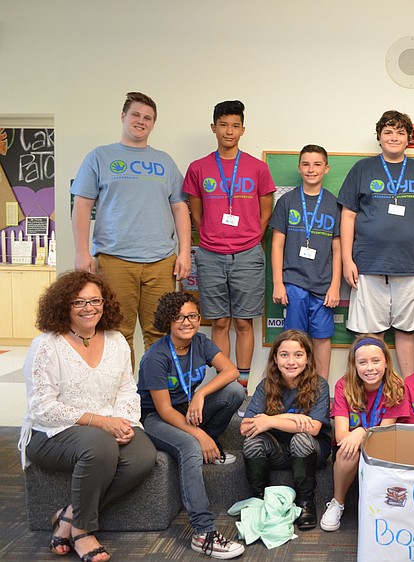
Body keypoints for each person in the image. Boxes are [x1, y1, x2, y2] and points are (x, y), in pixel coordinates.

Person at [18, 271, 157, 562]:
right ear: (63, 305)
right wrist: (101, 422)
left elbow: (127, 390)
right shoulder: (47, 345)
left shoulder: (117, 340)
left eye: (95, 300)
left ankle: (68, 514)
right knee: (99, 446)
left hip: (105, 427)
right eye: (79, 302)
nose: (89, 308)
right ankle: (82, 529)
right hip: (51, 434)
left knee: (143, 455)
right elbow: (42, 407)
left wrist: (122, 422)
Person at [71, 92, 191, 364]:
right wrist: (81, 252)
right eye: (136, 115)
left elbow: (180, 208)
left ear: (153, 124)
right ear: (123, 116)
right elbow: (81, 205)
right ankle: (123, 402)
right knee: (116, 334)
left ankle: (154, 399)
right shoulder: (99, 156)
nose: (141, 121)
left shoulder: (164, 161)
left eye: (148, 118)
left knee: (159, 333)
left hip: (160, 261)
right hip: (114, 259)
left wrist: (184, 253)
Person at [338, 110, 414, 377]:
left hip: (413, 266)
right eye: (388, 132)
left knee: (408, 332)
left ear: (409, 138)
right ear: (379, 137)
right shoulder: (362, 169)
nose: (394, 137)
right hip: (367, 264)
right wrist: (347, 260)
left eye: (400, 132)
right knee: (370, 335)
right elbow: (348, 215)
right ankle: (368, 394)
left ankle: (409, 391)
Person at [137, 292, 245, 559]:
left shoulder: (200, 342)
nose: (187, 322)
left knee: (234, 393)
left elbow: (231, 371)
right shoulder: (156, 357)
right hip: (157, 419)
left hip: (187, 408)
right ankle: (203, 531)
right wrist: (199, 436)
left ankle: (206, 443)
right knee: (189, 447)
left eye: (193, 316)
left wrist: (200, 393)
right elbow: (163, 410)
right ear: (168, 320)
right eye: (179, 317)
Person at [183, 100, 275, 389]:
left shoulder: (257, 168)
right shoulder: (198, 168)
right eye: (223, 125)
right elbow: (195, 213)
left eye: (235, 125)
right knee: (220, 322)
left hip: (248, 254)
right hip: (210, 254)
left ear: (243, 129)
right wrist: (212, 235)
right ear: (214, 128)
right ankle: (224, 385)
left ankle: (243, 386)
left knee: (244, 323)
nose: (229, 131)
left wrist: (248, 239)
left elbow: (266, 212)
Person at [240, 330, 332, 531]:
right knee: (253, 441)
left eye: (298, 355)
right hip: (279, 451)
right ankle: (260, 500)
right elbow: (245, 427)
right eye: (284, 355)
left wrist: (271, 420)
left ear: (307, 358)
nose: (291, 361)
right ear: (275, 358)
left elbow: (313, 428)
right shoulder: (266, 385)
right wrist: (287, 419)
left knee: (301, 438)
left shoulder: (320, 385)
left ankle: (305, 502)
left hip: (311, 451)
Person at [320, 335, 407, 532]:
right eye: (363, 362)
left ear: (386, 362)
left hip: (384, 448)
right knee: (348, 451)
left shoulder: (396, 387)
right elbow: (342, 435)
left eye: (376, 361)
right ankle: (337, 502)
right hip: (351, 450)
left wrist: (361, 432)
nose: (370, 368)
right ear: (354, 365)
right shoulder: (344, 385)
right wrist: (357, 433)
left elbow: (384, 434)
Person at [270, 145, 341, 380]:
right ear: (299, 167)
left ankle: (320, 392)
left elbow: (337, 248)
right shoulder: (286, 202)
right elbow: (277, 244)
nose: (312, 169)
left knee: (321, 338)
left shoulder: (334, 204)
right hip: (293, 283)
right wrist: (278, 283)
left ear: (326, 168)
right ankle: (292, 391)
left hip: (323, 286)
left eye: (317, 164)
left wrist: (335, 286)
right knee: (292, 341)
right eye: (306, 164)